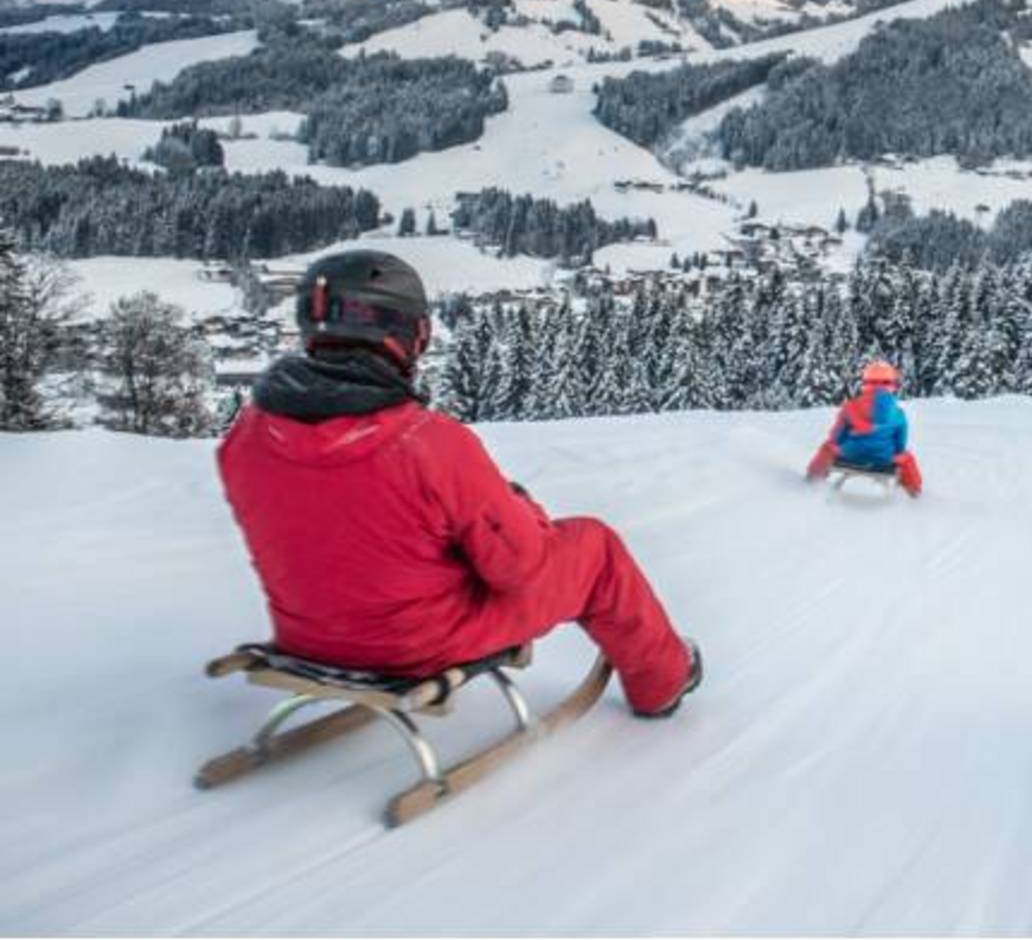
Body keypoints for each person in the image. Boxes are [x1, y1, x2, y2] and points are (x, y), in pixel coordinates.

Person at [216, 249, 701, 717]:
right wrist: (521, 509)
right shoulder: (427, 442)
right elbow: (520, 568)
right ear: (410, 335)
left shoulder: (246, 438)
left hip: (306, 637)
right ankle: (662, 682)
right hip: (418, 645)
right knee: (596, 549)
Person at [805, 359, 924, 497]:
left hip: (850, 454)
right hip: (883, 459)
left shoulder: (850, 407)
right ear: (892, 385)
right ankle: (914, 492)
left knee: (827, 447)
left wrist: (838, 446)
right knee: (907, 458)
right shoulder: (898, 414)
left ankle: (812, 480)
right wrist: (895, 454)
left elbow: (836, 437)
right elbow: (900, 444)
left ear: (865, 383)